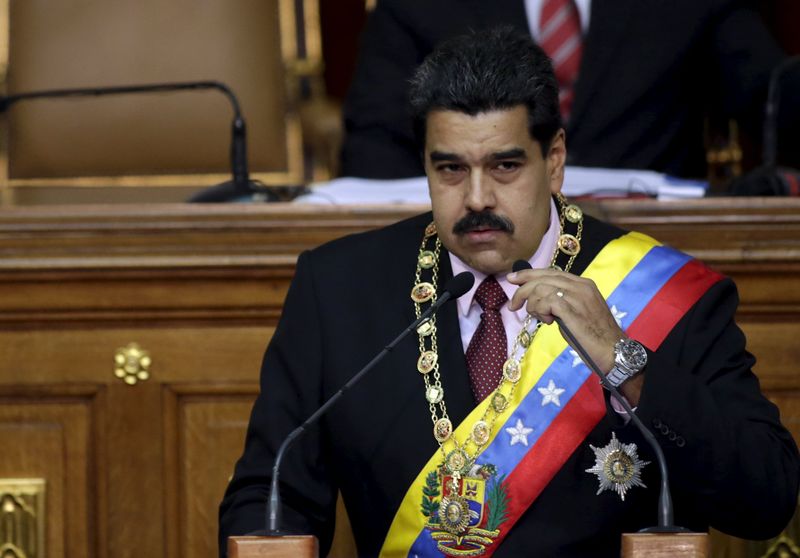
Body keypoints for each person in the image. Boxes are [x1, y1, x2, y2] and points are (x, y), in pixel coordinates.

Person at [220, 27, 799, 557]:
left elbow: (766, 500)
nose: (475, 199)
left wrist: (625, 364)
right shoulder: (339, 289)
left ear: (553, 161)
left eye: (504, 167)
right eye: (449, 169)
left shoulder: (668, 295)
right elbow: (268, 497)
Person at [341, 0, 795, 181]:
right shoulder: (412, 5)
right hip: (474, 262)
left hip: (652, 259)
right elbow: (376, 146)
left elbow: (774, 101)